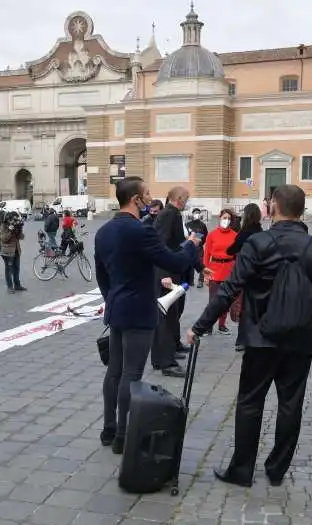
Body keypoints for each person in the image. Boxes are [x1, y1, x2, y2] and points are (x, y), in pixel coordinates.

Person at [187, 185, 312, 487]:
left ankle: (241, 470)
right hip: (299, 340)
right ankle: (277, 469)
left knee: (250, 402)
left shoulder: (257, 244)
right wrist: (309, 329)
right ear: (302, 210)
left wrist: (199, 326)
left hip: (260, 336)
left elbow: (229, 289)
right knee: (291, 403)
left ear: (272, 207)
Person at [95, 177, 201, 455]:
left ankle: (108, 429)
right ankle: (122, 434)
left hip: (116, 308)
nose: (150, 198)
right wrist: (190, 244)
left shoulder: (103, 231)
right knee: (131, 373)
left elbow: (102, 276)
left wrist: (112, 299)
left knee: (114, 371)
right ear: (135, 200)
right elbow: (175, 261)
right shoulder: (141, 231)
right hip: (140, 311)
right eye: (147, 194)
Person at [150, 187, 193, 378]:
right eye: (187, 199)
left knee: (170, 316)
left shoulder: (174, 213)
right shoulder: (169, 214)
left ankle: (164, 356)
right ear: (180, 198)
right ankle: (166, 362)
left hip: (173, 272)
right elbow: (160, 244)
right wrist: (163, 274)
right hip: (166, 274)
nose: (187, 202)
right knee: (165, 319)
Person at [226, 203, 264, 351]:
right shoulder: (260, 231)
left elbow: (231, 250)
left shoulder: (244, 233)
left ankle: (242, 339)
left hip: (244, 273)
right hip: (259, 273)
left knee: (243, 306)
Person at [203, 208, 239, 335]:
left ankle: (222, 325)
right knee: (213, 300)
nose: (226, 220)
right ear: (220, 218)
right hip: (214, 269)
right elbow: (206, 253)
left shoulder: (235, 235)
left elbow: (236, 254)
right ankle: (208, 326)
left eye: (229, 218)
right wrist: (205, 272)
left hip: (229, 268)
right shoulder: (212, 234)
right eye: (224, 218)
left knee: (226, 300)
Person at [0, 211, 26, 293]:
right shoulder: (3, 226)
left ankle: (17, 285)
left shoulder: (16, 225)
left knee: (16, 269)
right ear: (9, 219)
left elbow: (22, 237)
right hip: (7, 252)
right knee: (9, 270)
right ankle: (10, 287)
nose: (15, 220)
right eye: (14, 218)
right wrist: (10, 231)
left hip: (16, 250)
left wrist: (19, 229)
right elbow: (4, 239)